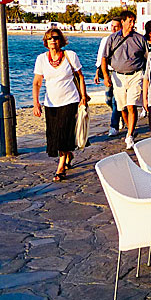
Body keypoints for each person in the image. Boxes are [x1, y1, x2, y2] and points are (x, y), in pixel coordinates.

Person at [32, 28, 87, 182]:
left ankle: (61, 167)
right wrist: (36, 102)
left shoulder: (70, 56)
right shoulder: (41, 59)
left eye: (55, 38)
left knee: (63, 132)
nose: (52, 41)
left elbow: (80, 77)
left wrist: (83, 97)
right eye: (49, 38)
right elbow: (37, 82)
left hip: (70, 100)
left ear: (60, 40)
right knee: (54, 135)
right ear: (46, 41)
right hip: (51, 103)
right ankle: (68, 154)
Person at [101, 10, 147, 150]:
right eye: (130, 21)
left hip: (136, 75)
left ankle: (129, 135)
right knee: (122, 108)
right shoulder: (112, 39)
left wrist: (147, 76)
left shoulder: (139, 39)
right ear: (123, 22)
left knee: (132, 105)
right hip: (118, 76)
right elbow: (104, 58)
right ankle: (129, 129)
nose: (132, 24)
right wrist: (105, 76)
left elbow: (147, 58)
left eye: (134, 21)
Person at [94, 17, 122, 136]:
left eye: (116, 26)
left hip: (119, 72)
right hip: (107, 71)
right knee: (108, 99)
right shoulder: (105, 40)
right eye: (112, 26)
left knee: (116, 100)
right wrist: (97, 72)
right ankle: (119, 114)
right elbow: (101, 57)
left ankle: (114, 126)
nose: (114, 28)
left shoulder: (124, 40)